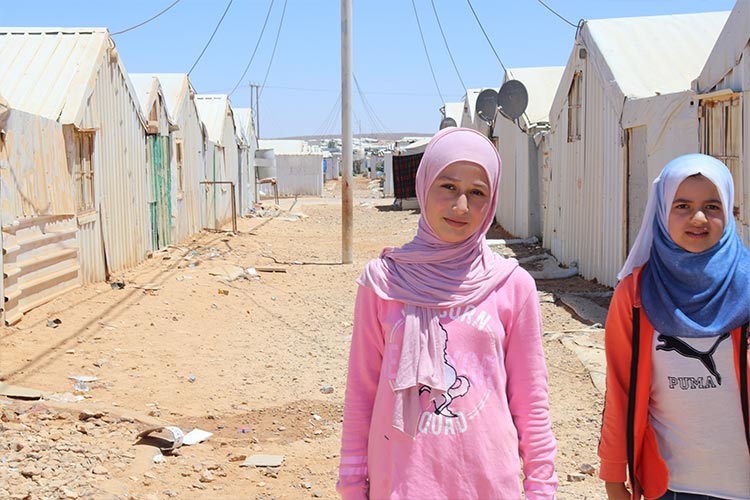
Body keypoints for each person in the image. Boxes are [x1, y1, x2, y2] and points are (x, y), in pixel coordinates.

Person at [336, 126, 558, 499]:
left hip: (487, 485)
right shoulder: (384, 282)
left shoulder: (511, 285)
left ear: (492, 199)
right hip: (402, 485)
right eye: (448, 186)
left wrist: (541, 488)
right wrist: (353, 485)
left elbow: (531, 401)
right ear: (424, 186)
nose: (461, 206)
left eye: (477, 192)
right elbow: (362, 393)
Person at [598, 153, 750, 500]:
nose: (698, 218)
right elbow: (620, 389)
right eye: (682, 205)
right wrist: (613, 474)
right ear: (662, 210)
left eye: (712, 206)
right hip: (670, 487)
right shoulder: (636, 295)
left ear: (729, 210)